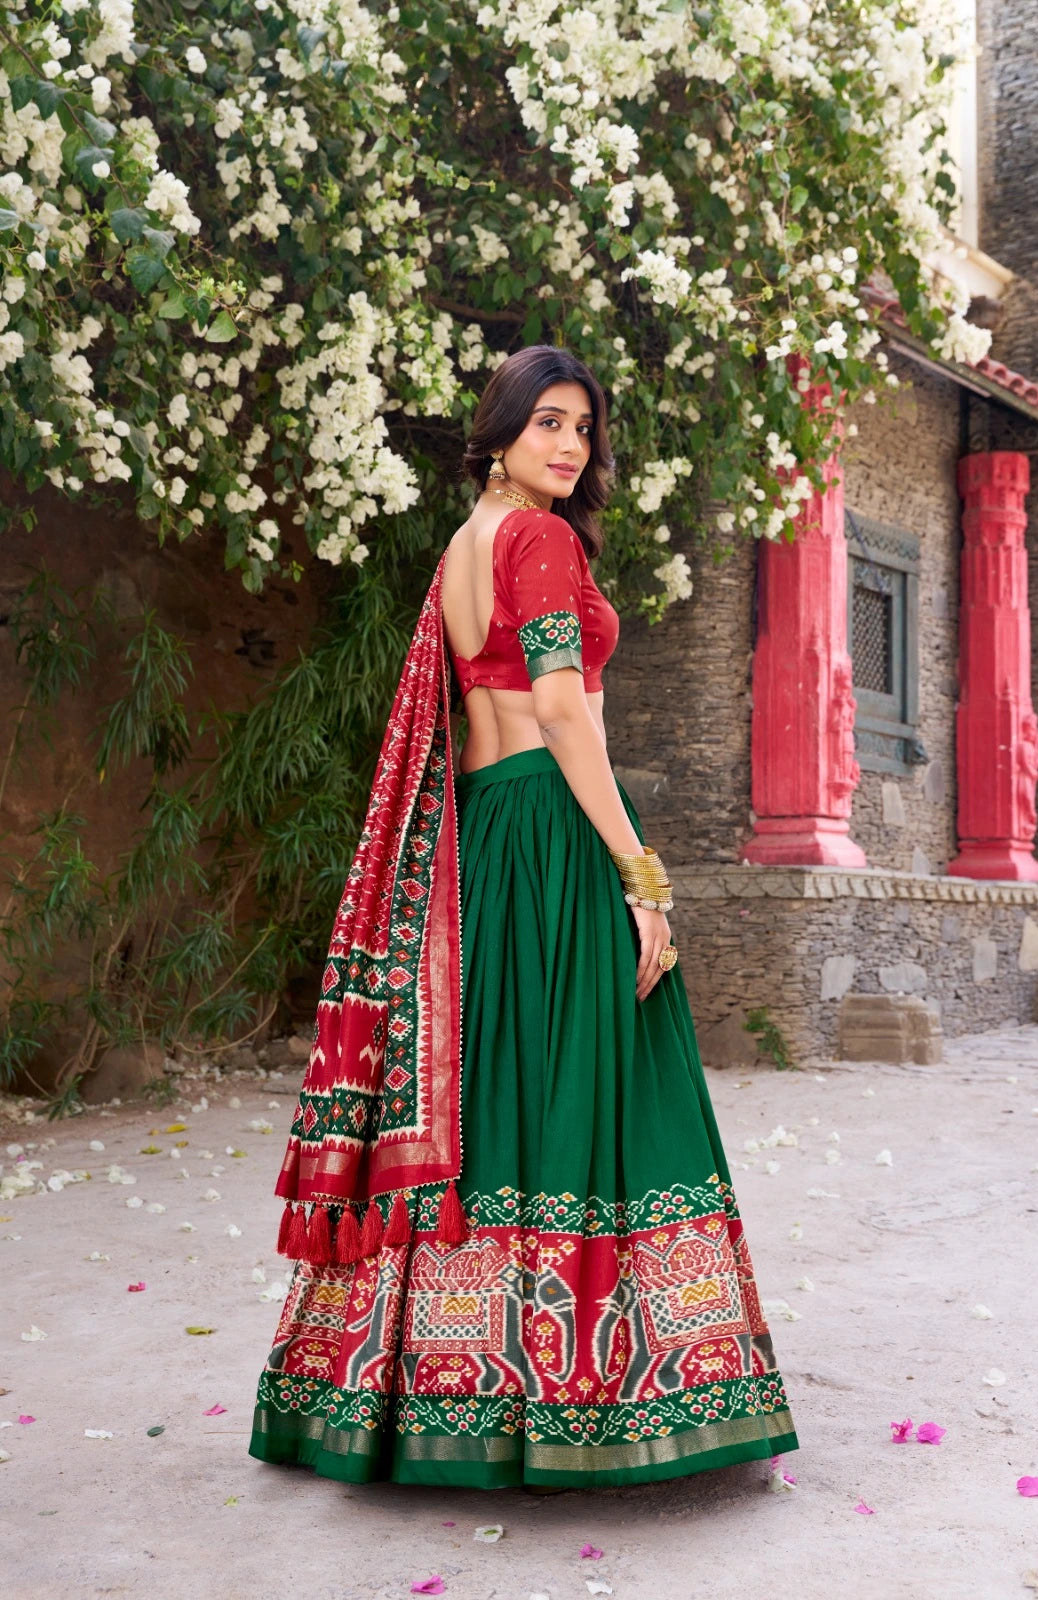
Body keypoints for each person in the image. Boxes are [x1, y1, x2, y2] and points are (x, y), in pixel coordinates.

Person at [248, 346, 799, 1490]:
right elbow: (558, 705)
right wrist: (640, 869)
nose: (567, 444)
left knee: (490, 1087)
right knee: (587, 1091)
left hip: (484, 840)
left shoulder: (462, 544)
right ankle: (578, 1385)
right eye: (545, 421)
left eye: (583, 429)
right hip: (551, 834)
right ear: (498, 429)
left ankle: (432, 1385)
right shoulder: (538, 540)